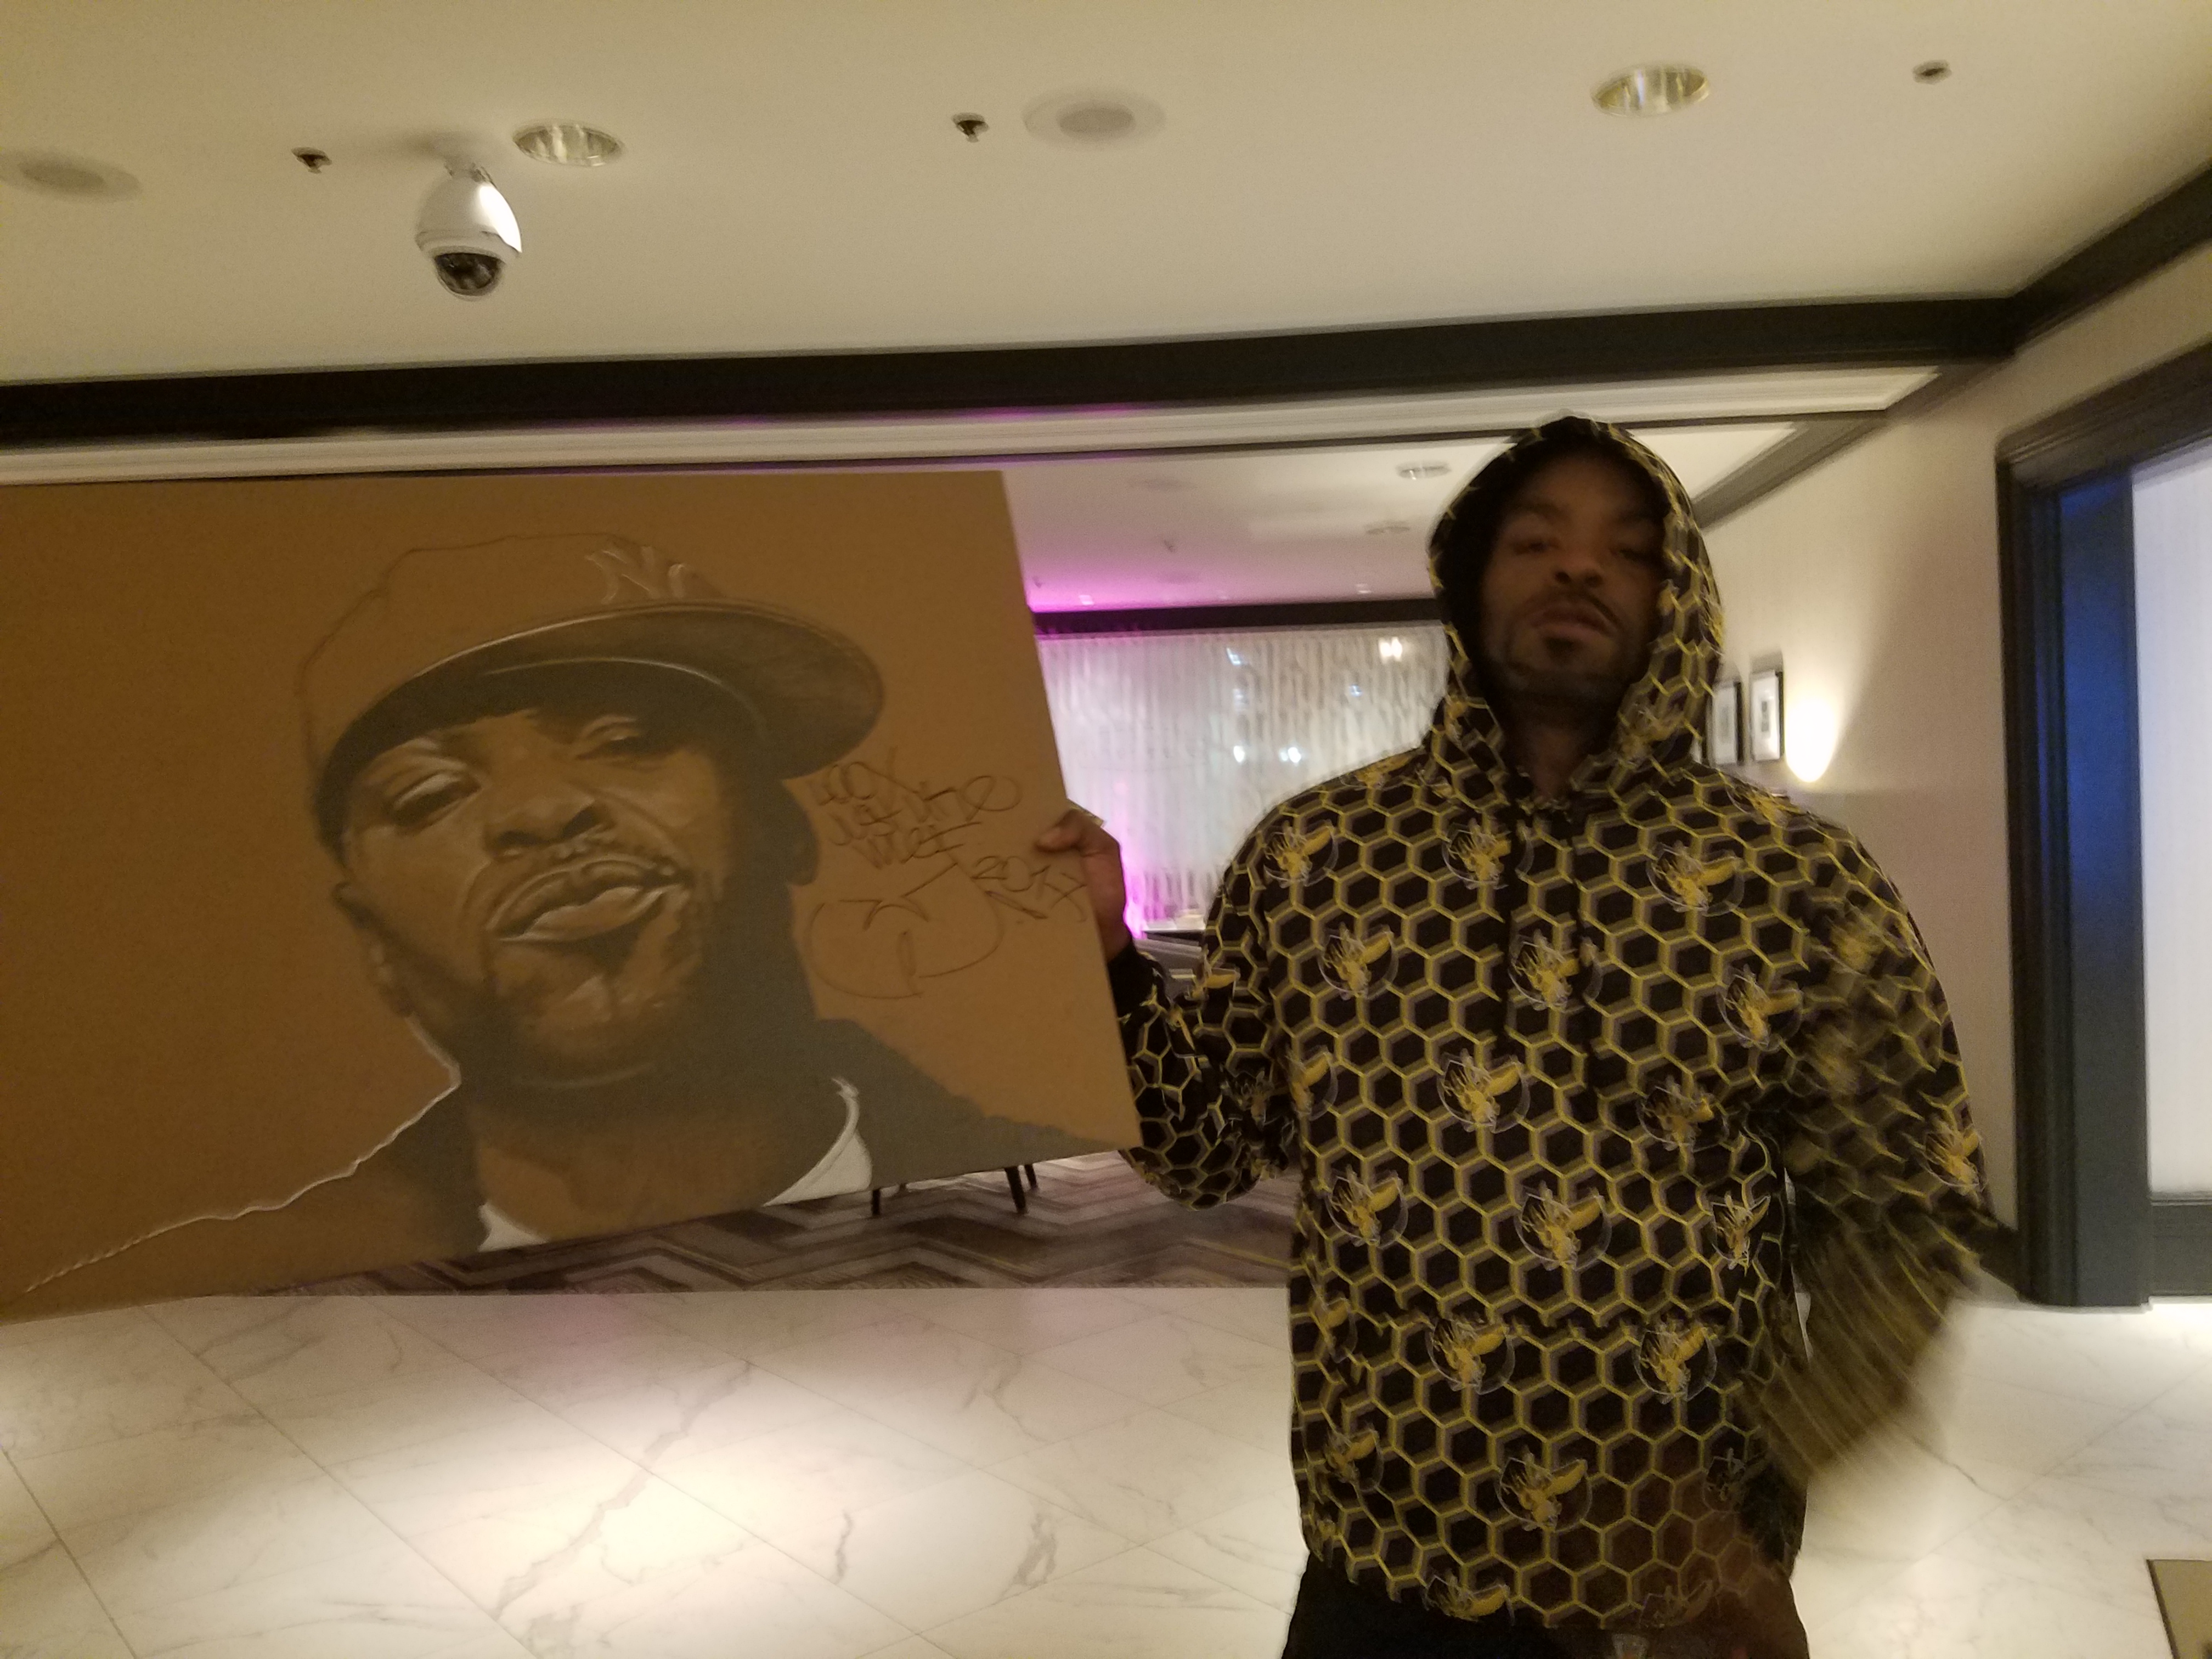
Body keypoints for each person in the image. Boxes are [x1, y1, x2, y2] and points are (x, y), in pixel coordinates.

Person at [1041, 416, 1992, 1658]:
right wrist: (1103, 961)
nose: (1578, 566)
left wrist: (1769, 1473)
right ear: (1469, 579)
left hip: (1682, 1582)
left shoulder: (1796, 884)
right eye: (1536, 540)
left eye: (1627, 549)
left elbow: (1909, 1203)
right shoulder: (1318, 857)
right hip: (1385, 1560)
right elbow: (1203, 1146)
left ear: (1678, 597)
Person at [294, 531, 1092, 1256]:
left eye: (626, 740)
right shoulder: (291, 1271)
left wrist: (1107, 945)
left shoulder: (1047, 1193)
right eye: (431, 795)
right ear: (373, 942)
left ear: (780, 826)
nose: (542, 810)